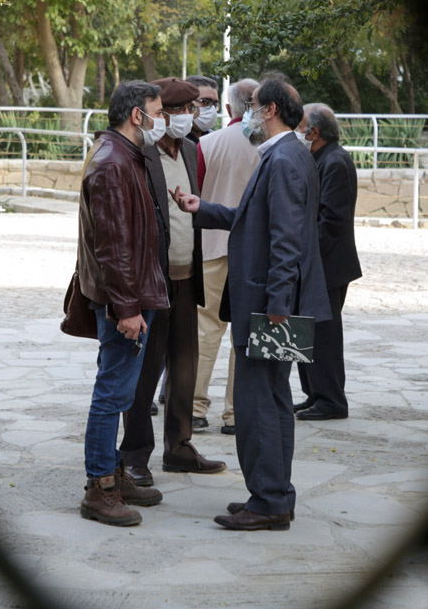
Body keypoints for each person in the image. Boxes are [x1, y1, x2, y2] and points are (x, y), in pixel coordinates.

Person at [172, 74, 330, 531]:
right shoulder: (286, 154)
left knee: (259, 403)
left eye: (255, 105)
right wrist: (203, 209)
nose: (247, 115)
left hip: (270, 305)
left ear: (271, 111)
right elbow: (253, 219)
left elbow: (285, 239)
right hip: (273, 301)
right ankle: (273, 493)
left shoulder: (284, 158)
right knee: (273, 401)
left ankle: (269, 501)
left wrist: (277, 303)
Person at [121, 78, 227, 484]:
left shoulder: (191, 150)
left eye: (189, 110)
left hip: (187, 277)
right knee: (144, 373)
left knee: (184, 369)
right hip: (152, 281)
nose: (186, 117)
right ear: (158, 114)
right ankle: (135, 456)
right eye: (177, 110)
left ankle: (179, 448)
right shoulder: (141, 153)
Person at [76, 81, 169, 526]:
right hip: (123, 300)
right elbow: (113, 246)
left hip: (131, 294)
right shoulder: (113, 162)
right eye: (158, 112)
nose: (162, 120)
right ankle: (100, 486)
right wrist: (127, 308)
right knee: (112, 392)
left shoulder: (123, 154)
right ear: (137, 115)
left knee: (119, 389)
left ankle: (112, 472)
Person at [191, 78, 260, 435]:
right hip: (254, 253)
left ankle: (194, 407)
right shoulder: (270, 144)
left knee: (206, 330)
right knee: (244, 336)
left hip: (212, 246)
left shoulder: (207, 143)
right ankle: (236, 412)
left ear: (229, 107)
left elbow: (195, 193)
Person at [293, 103, 361, 420]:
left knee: (325, 336)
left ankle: (331, 400)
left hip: (327, 266)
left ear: (314, 133)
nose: (296, 132)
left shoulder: (334, 161)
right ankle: (315, 394)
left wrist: (304, 257)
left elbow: (331, 221)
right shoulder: (321, 157)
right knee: (309, 332)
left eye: (300, 127)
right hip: (318, 264)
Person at [186, 75, 220, 141]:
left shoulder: (216, 140)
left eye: (214, 104)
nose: (212, 109)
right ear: (187, 102)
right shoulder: (175, 141)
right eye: (205, 102)